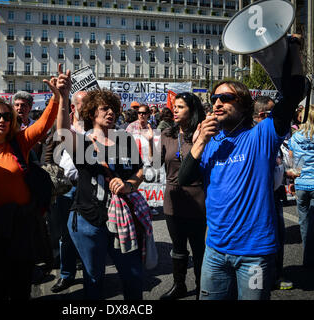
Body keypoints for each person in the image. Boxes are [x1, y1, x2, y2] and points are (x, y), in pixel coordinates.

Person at [178, 35, 306, 300]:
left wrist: (292, 48)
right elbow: (184, 178)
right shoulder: (211, 142)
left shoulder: (262, 135)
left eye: (226, 97)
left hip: (254, 255)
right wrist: (200, 141)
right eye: (215, 98)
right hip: (214, 252)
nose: (217, 103)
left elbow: (293, 92)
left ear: (245, 104)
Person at [0, 72, 66, 300]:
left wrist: (57, 98)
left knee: (22, 284)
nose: (2, 120)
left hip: (23, 224)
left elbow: (43, 125)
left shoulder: (19, 143)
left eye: (7, 117)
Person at [58, 84, 148, 300]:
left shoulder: (125, 140)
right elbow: (62, 132)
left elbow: (140, 171)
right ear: (91, 113)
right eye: (104, 108)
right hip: (89, 221)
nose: (111, 113)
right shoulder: (83, 143)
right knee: (94, 277)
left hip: (122, 221)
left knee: (133, 276)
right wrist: (62, 97)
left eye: (113, 109)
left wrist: (129, 185)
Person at [158, 93, 206, 300]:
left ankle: (202, 287)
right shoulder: (167, 134)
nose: (174, 110)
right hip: (173, 201)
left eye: (180, 107)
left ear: (192, 110)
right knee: (178, 248)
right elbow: (153, 164)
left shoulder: (205, 134)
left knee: (199, 249)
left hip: (199, 200)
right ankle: (179, 285)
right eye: (174, 106)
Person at [48, 90, 87, 293]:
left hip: (88, 188)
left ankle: (91, 277)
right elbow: (49, 149)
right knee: (66, 234)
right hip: (67, 187)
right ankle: (66, 275)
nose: (87, 106)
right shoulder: (65, 126)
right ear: (73, 107)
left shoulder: (97, 127)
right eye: (83, 103)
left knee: (88, 232)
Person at [253, 96, 293, 290]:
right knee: (260, 240)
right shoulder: (255, 136)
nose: (281, 118)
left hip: (275, 196)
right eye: (274, 114)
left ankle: (276, 274)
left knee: (279, 236)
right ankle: (258, 281)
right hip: (259, 199)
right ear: (262, 116)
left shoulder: (276, 135)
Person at [288, 105, 314, 268]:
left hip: (301, 184)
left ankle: (308, 254)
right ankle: (312, 258)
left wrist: (293, 180)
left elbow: (294, 161)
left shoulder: (295, 137)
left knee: (304, 222)